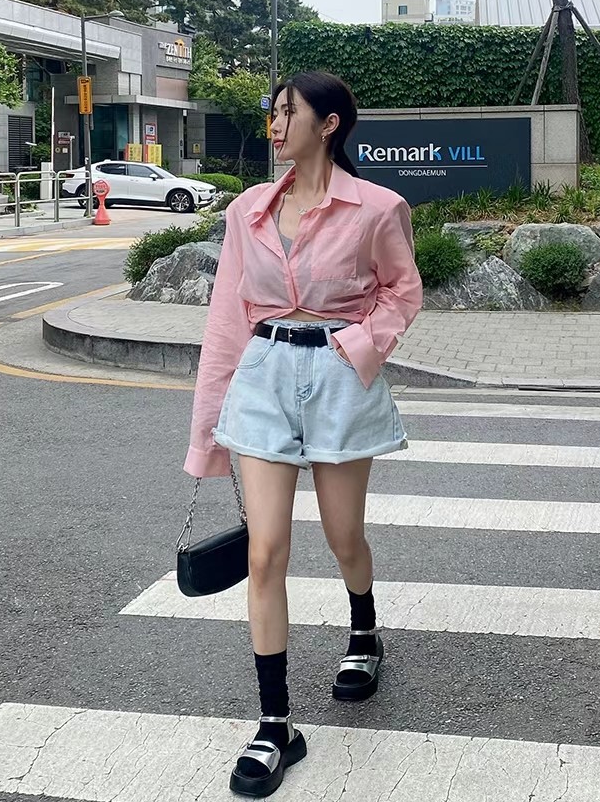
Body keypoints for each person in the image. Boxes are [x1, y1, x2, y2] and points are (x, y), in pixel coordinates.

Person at [184, 70, 423, 798]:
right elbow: (227, 318)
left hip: (340, 377)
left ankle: (363, 631)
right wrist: (207, 431)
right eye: (273, 113)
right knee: (265, 553)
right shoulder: (248, 210)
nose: (276, 124)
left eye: (289, 112)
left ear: (330, 123)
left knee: (344, 537)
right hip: (262, 374)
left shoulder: (377, 208)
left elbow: (402, 289)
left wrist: (362, 345)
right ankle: (275, 725)